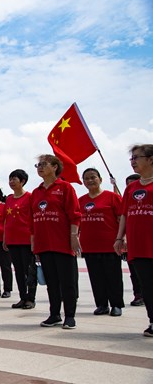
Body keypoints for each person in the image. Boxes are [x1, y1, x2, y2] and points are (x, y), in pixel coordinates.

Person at [30, 154, 81, 329]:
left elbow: (74, 215)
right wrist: (34, 242)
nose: (40, 167)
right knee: (51, 282)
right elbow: (32, 219)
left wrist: (73, 236)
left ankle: (70, 316)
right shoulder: (36, 192)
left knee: (67, 282)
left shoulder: (65, 187)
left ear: (55, 167)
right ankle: (54, 314)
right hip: (44, 243)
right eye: (38, 165)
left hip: (62, 243)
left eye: (44, 164)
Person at [114, 144, 153, 337]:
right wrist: (120, 237)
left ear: (151, 159)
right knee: (147, 286)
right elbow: (125, 214)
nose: (133, 162)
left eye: (137, 157)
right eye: (132, 158)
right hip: (138, 245)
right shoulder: (131, 188)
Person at [79, 168, 124, 316]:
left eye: (93, 177)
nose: (90, 181)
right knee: (96, 277)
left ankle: (116, 304)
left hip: (110, 244)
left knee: (113, 276)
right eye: (86, 178)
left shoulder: (112, 197)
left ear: (100, 179)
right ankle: (102, 304)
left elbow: (121, 219)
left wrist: (122, 238)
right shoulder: (81, 200)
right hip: (89, 245)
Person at [3, 169, 37, 309]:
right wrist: (5, 238)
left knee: (29, 270)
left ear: (22, 181)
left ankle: (31, 298)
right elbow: (6, 219)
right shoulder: (9, 199)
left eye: (14, 179)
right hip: (12, 240)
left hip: (26, 240)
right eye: (10, 179)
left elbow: (34, 218)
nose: (11, 182)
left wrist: (34, 239)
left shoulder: (30, 197)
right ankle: (23, 297)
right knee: (18, 270)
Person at [123, 173, 144, 307]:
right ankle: (139, 295)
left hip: (147, 241)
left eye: (132, 184)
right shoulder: (127, 200)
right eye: (128, 185)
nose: (130, 187)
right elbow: (123, 218)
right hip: (132, 242)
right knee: (134, 272)